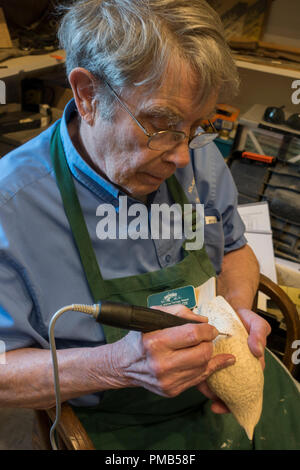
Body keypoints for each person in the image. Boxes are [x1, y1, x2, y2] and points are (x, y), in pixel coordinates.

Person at [0, 0, 299, 450]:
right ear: (87, 94)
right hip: (120, 423)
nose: (183, 156)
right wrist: (116, 365)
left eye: (198, 126)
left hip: (216, 383)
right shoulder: (12, 205)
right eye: (161, 125)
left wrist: (237, 317)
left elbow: (235, 249)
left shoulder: (198, 155)